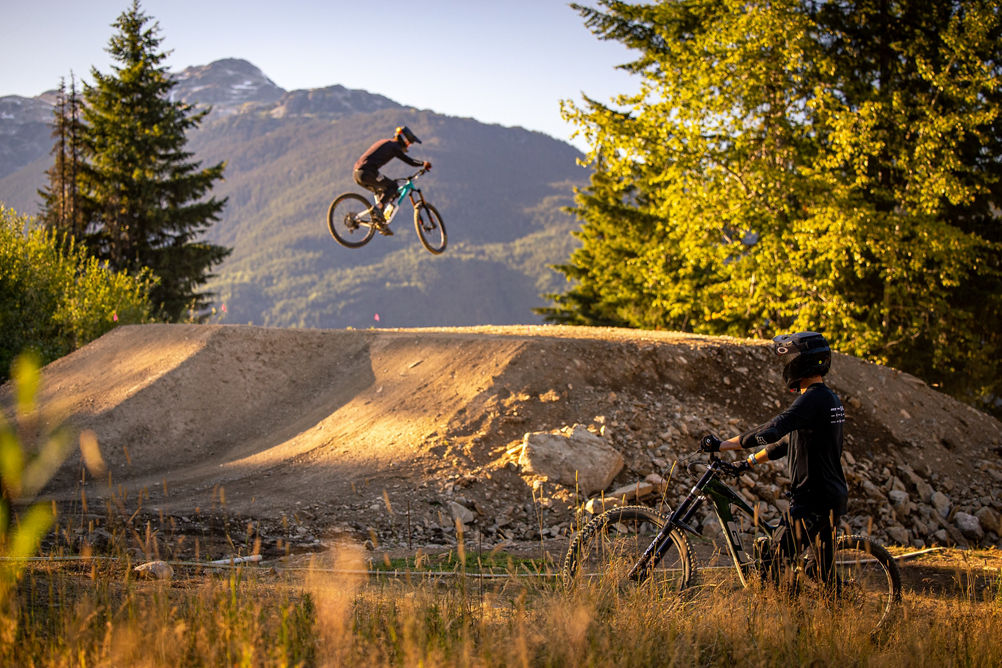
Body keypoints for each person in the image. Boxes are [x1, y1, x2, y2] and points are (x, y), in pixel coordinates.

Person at [700, 331, 848, 589]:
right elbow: (787, 443)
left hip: (811, 501)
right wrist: (747, 463)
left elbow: (772, 431)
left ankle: (785, 622)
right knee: (822, 574)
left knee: (773, 565)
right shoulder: (828, 398)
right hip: (831, 497)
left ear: (799, 362)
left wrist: (723, 445)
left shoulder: (811, 400)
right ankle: (837, 621)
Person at [353, 126, 432, 233]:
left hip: (358, 173)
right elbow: (409, 161)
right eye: (409, 142)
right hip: (367, 172)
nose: (409, 146)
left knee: (387, 191)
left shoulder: (387, 143)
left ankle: (380, 222)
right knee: (393, 186)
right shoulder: (394, 146)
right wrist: (424, 163)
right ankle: (378, 209)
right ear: (404, 139)